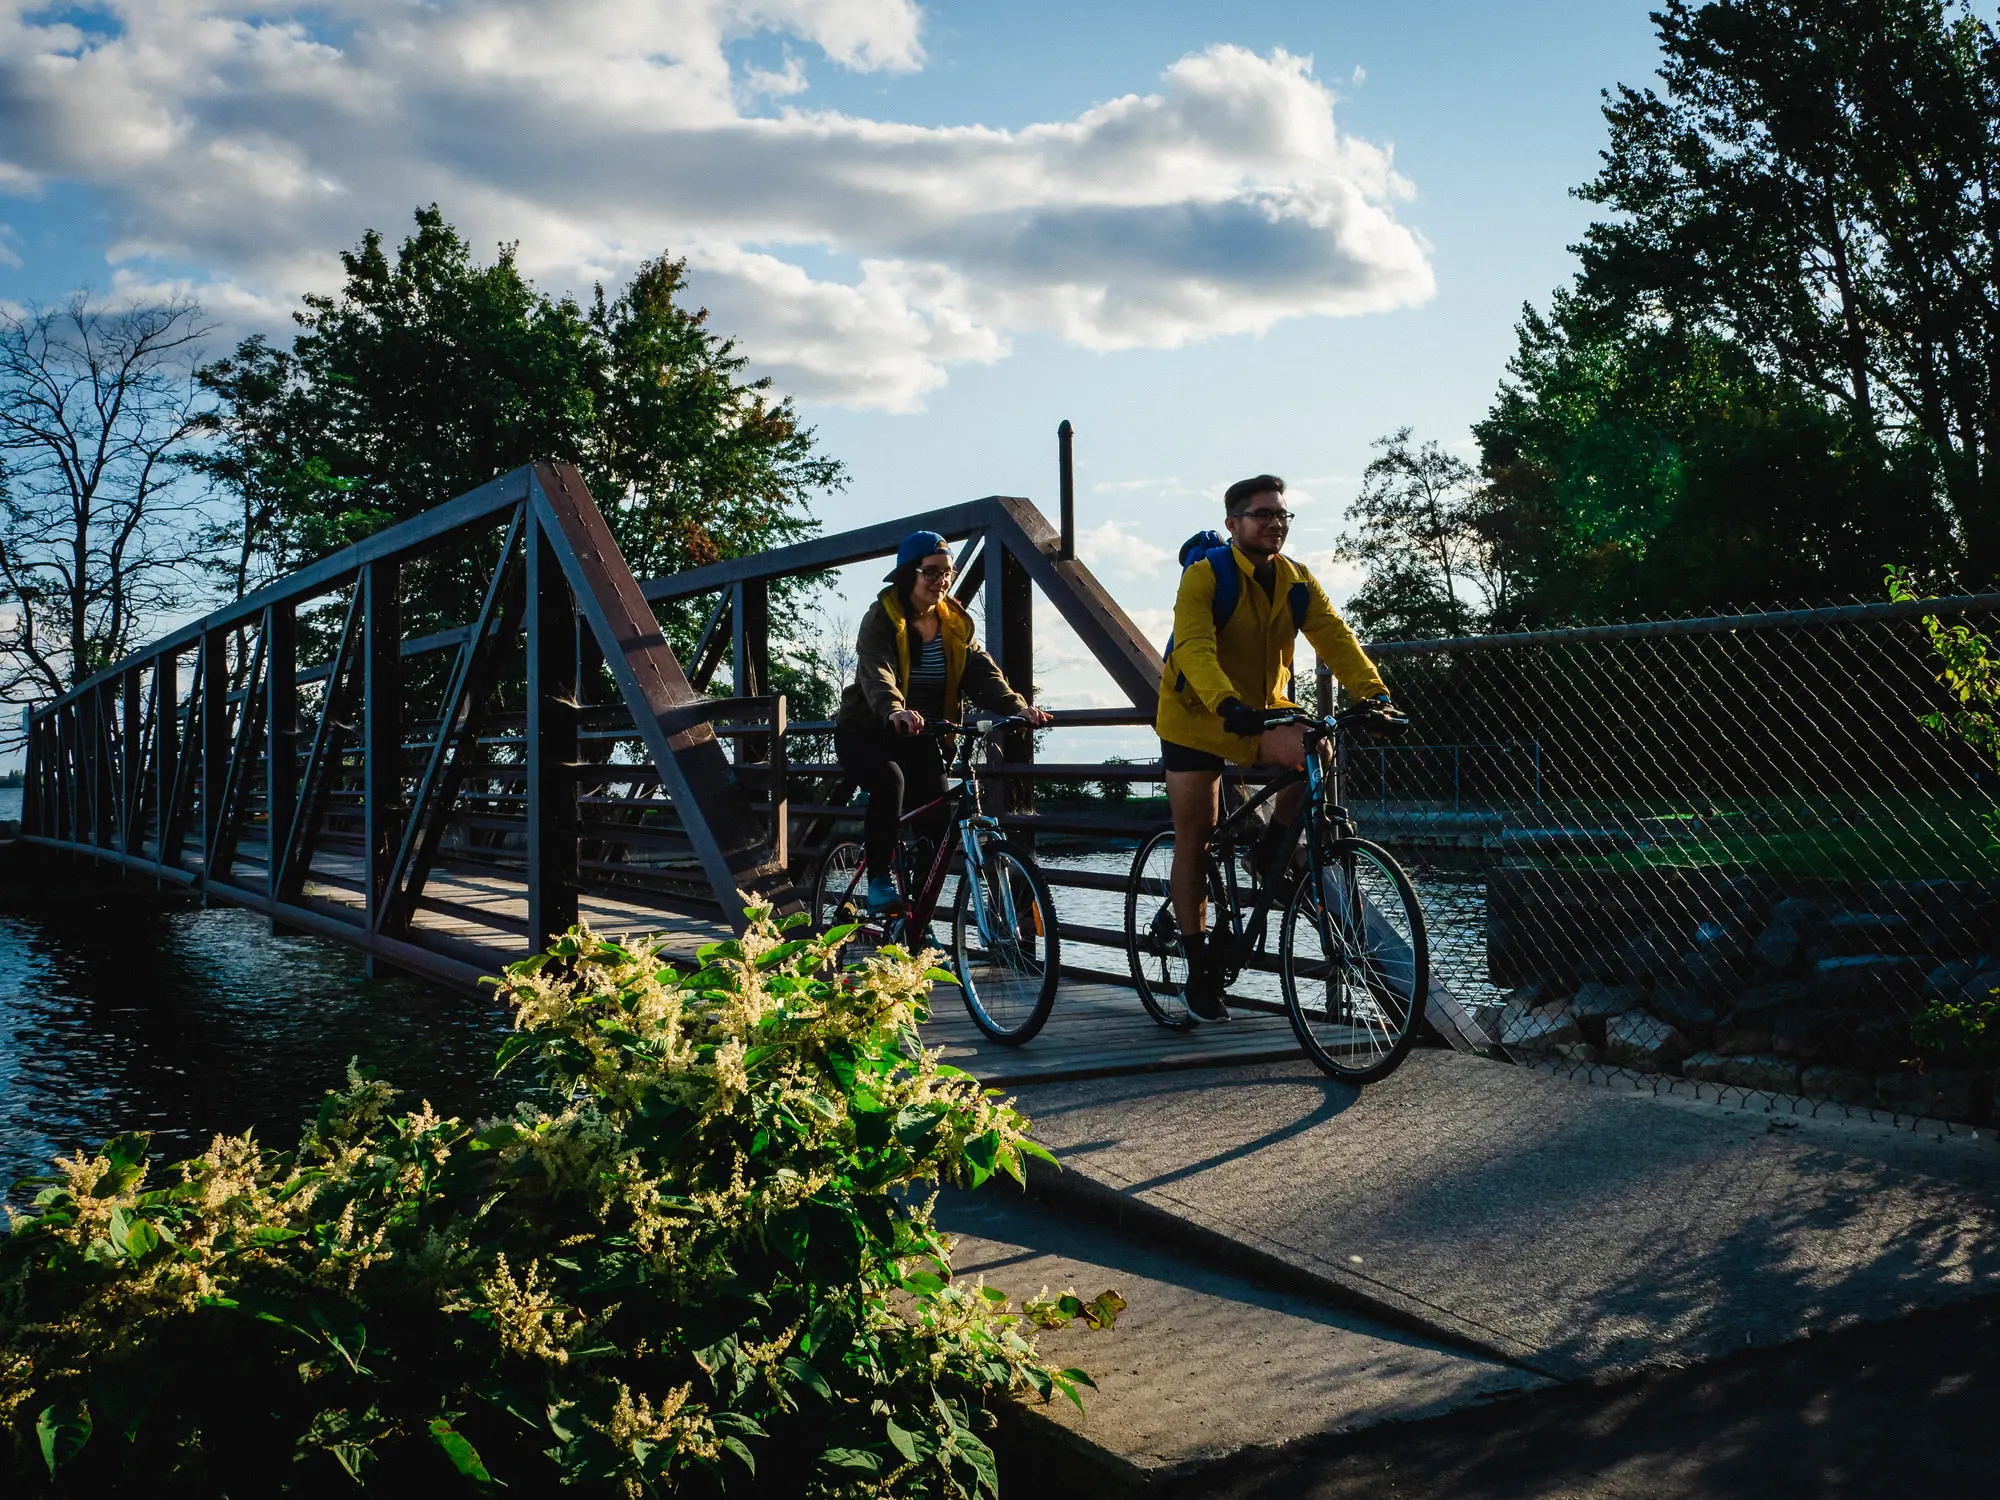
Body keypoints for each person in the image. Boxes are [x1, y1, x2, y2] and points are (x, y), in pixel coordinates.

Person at [1156, 474, 1399, 1020]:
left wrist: (1377, 696)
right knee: (1195, 837)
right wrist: (1224, 702)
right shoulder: (1203, 577)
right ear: (1233, 524)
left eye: (1282, 515)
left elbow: (1335, 636)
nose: (1274, 523)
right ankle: (1198, 970)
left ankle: (1272, 850)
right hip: (1198, 716)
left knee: (1317, 749)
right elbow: (1194, 647)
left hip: (1260, 712)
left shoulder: (1295, 581)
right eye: (1262, 514)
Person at [836, 530, 1054, 912]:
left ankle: (919, 919)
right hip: (867, 730)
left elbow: (981, 672)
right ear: (908, 574)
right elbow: (877, 670)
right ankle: (878, 882)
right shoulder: (882, 618)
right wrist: (893, 709)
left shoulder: (954, 624)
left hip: (921, 734)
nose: (942, 581)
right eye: (932, 572)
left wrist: (1016, 707)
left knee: (937, 823)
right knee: (890, 781)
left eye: (948, 573)